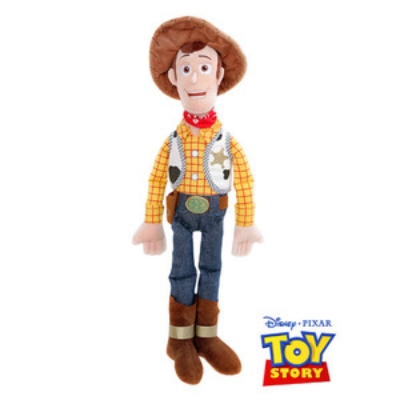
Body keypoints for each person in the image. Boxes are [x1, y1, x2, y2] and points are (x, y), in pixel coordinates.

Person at [132, 16, 262, 385]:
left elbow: (244, 180)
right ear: (174, 77)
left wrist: (246, 223)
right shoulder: (173, 140)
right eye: (186, 69)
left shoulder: (227, 141)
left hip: (216, 215)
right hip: (182, 214)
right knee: (181, 271)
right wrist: (152, 220)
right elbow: (156, 178)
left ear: (218, 74)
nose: (194, 79)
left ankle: (206, 336)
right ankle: (178, 340)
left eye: (204, 68)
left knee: (212, 269)